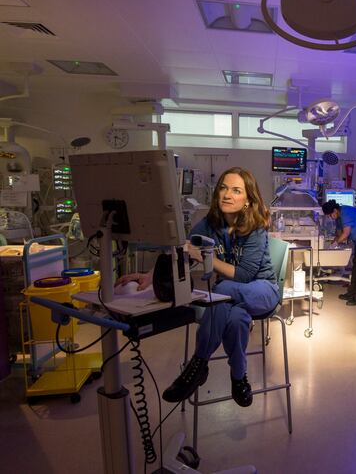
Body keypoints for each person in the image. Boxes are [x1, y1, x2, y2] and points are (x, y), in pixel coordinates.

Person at [116, 167, 279, 407]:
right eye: (223, 188)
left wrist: (205, 257)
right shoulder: (209, 224)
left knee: (221, 292)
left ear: (248, 200)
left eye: (236, 190)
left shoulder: (255, 227)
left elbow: (243, 276)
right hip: (230, 298)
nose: (227, 194)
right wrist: (149, 276)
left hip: (262, 289)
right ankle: (239, 378)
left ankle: (198, 364)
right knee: (235, 318)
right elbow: (183, 250)